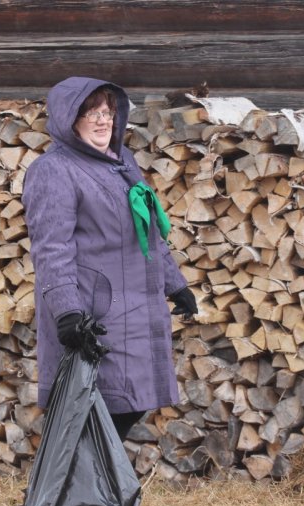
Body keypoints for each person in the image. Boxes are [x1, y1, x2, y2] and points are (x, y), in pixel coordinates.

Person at [22, 77, 197, 441]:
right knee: (99, 409)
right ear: (69, 119)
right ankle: (78, 477)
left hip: (139, 306)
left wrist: (174, 283)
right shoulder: (54, 170)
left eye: (108, 112)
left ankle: (93, 477)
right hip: (96, 310)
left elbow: (147, 230)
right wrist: (67, 311)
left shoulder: (122, 162)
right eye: (92, 113)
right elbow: (51, 248)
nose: (103, 121)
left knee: (132, 403)